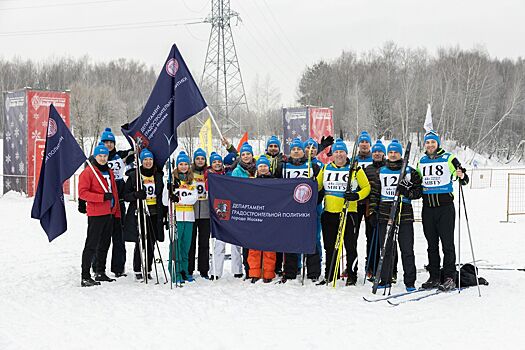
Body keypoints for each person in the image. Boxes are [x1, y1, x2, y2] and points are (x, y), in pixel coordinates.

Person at [417, 130, 469, 291]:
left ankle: (449, 277)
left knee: (447, 244)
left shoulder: (449, 158)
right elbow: (418, 181)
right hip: (428, 209)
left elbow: (464, 178)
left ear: (437, 143)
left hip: (445, 208)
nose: (430, 145)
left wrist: (462, 175)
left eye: (433, 142)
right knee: (431, 244)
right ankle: (433, 276)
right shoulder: (422, 161)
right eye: (428, 142)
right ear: (425, 144)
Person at [369, 140, 422, 292]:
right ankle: (385, 279)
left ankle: (410, 282)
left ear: (400, 154)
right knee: (385, 249)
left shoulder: (409, 171)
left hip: (404, 214)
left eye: (396, 152)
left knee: (407, 249)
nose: (393, 155)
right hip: (385, 215)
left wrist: (408, 192)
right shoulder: (382, 171)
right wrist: (373, 211)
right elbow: (375, 193)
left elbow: (418, 192)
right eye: (390, 152)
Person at [317, 138, 370, 286]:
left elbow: (366, 188)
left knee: (350, 246)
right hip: (329, 213)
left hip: (348, 213)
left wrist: (356, 195)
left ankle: (352, 275)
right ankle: (330, 274)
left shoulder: (355, 169)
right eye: (337, 152)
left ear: (346, 154)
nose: (339, 155)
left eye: (342, 152)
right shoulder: (326, 168)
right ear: (332, 154)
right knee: (330, 246)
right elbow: (317, 185)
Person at [78, 142, 121, 287]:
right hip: (96, 213)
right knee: (91, 244)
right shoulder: (88, 172)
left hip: (109, 212)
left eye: (105, 156)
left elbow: (113, 191)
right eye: (100, 156)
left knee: (105, 243)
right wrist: (101, 197)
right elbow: (83, 193)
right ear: (95, 156)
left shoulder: (108, 171)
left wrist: (115, 209)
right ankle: (85, 275)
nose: (102, 158)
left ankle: (100, 271)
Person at [280, 138, 321, 283]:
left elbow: (319, 186)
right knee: (290, 238)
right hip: (290, 209)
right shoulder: (283, 166)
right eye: (293, 149)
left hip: (308, 209)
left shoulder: (312, 166)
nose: (296, 151)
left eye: (298, 149)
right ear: (290, 152)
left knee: (311, 238)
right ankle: (290, 271)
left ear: (303, 151)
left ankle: (313, 271)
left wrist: (316, 202)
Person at [122, 149, 167, 281]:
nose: (148, 162)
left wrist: (164, 214)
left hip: (154, 213)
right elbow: (125, 196)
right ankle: (137, 269)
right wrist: (135, 195)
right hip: (140, 212)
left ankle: (148, 268)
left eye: (150, 160)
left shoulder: (158, 175)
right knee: (141, 241)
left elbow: (161, 196)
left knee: (151, 243)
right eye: (146, 160)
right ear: (141, 161)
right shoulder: (134, 176)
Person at [99, 127, 134, 277]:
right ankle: (97, 266)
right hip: (102, 204)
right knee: (101, 237)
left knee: (119, 237)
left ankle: (118, 268)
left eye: (110, 142)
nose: (108, 145)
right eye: (105, 142)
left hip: (119, 202)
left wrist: (130, 133)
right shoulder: (97, 158)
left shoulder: (120, 156)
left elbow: (135, 150)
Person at [206, 152, 243, 280]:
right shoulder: (209, 176)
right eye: (215, 162)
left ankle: (237, 269)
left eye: (219, 162)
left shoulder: (227, 174)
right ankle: (215, 271)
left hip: (232, 208)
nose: (218, 164)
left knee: (236, 241)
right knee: (219, 242)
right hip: (218, 210)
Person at [169, 151, 198, 283]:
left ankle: (185, 271)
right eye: (181, 164)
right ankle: (175, 272)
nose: (184, 166)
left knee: (186, 247)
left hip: (189, 217)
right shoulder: (172, 180)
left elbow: (194, 198)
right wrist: (171, 193)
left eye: (186, 164)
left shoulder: (192, 181)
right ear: (177, 165)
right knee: (176, 247)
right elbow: (166, 200)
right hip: (177, 217)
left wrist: (179, 198)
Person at [247, 155, 277, 283]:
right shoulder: (252, 181)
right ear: (257, 168)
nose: (263, 168)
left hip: (270, 218)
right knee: (254, 247)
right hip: (256, 217)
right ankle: (254, 272)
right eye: (261, 166)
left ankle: (268, 273)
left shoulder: (275, 181)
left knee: (269, 247)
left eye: (265, 166)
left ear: (268, 167)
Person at [232, 142, 257, 278]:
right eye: (243, 154)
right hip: (245, 209)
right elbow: (235, 191)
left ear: (252, 155)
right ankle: (248, 269)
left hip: (259, 209)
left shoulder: (258, 168)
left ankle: (258, 267)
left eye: (248, 154)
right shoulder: (237, 171)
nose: (246, 156)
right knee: (246, 241)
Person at [363, 140, 386, 281]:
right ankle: (370, 267)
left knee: (385, 240)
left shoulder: (388, 168)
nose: (377, 154)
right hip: (370, 210)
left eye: (380, 151)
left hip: (385, 209)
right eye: (375, 151)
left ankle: (387, 268)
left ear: (384, 154)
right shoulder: (368, 169)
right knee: (371, 239)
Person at [352, 131, 373, 277]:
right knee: (351, 236)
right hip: (355, 202)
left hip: (370, 203)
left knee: (370, 235)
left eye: (366, 142)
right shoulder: (354, 159)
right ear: (359, 145)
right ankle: (351, 266)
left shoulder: (375, 158)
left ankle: (370, 266)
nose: (364, 144)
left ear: (370, 144)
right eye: (362, 142)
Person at [189, 148, 211, 279]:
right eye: (198, 158)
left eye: (202, 158)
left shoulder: (209, 173)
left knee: (204, 243)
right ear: (194, 160)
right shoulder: (189, 173)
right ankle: (189, 269)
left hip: (205, 212)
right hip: (191, 211)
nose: (200, 161)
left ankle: (204, 270)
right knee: (190, 243)